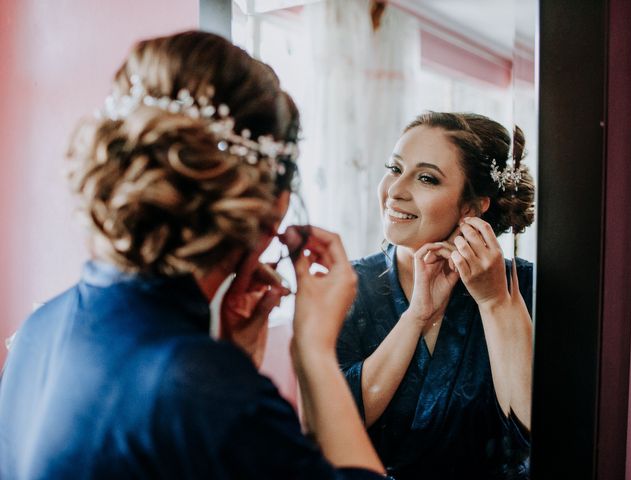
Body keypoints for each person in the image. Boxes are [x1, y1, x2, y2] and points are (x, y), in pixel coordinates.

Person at [0, 31, 387, 479]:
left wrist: (227, 355)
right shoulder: (203, 387)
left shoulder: (39, 328)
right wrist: (315, 351)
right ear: (269, 211)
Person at [337, 112, 535, 479]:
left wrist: (493, 304)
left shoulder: (526, 286)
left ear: (472, 208)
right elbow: (332, 422)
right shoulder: (347, 284)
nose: (395, 190)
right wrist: (415, 317)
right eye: (394, 168)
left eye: (426, 178)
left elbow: (532, 435)